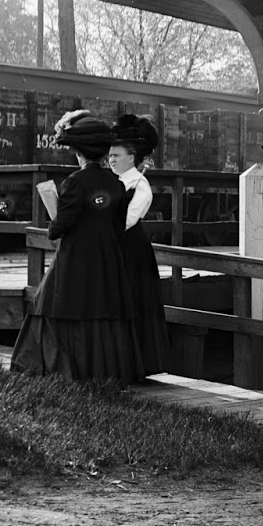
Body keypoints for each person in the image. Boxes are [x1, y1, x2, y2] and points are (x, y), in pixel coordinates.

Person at [11, 111, 144, 383]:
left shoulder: (74, 182)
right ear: (104, 153)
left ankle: (60, 369)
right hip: (107, 259)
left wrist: (53, 219)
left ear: (79, 154)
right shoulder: (117, 184)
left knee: (55, 304)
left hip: (76, 257)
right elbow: (118, 227)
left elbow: (60, 226)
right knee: (102, 309)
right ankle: (104, 372)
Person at [108, 114, 169, 377]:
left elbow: (127, 220)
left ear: (132, 157)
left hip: (132, 253)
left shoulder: (140, 186)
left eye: (116, 156)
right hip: (113, 248)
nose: (111, 160)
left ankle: (135, 365)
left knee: (133, 303)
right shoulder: (111, 182)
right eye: (109, 156)